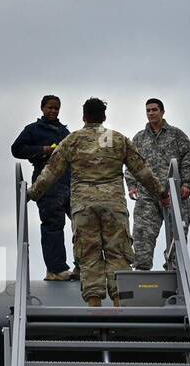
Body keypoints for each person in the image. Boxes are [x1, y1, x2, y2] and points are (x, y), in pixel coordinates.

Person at [28, 98, 169, 307]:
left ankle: (95, 308)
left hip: (83, 208)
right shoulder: (118, 140)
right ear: (104, 117)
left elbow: (50, 173)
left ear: (84, 117)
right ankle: (120, 306)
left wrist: (31, 193)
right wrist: (161, 193)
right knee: (118, 254)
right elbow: (142, 170)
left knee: (89, 256)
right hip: (114, 207)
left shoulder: (72, 141)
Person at [124, 98, 190, 271]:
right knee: (142, 233)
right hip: (147, 194)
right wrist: (132, 185)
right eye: (148, 110)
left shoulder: (177, 135)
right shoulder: (139, 138)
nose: (151, 113)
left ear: (162, 112)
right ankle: (141, 270)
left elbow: (188, 159)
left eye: (154, 110)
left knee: (177, 235)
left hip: (174, 193)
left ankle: (175, 269)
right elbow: (131, 163)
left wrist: (187, 183)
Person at [11, 95, 75, 280]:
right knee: (53, 225)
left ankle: (82, 266)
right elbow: (17, 149)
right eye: (50, 108)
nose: (53, 111)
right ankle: (56, 269)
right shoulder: (33, 130)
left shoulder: (65, 132)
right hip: (46, 184)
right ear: (42, 108)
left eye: (56, 108)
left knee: (81, 224)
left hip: (68, 182)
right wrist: (43, 150)